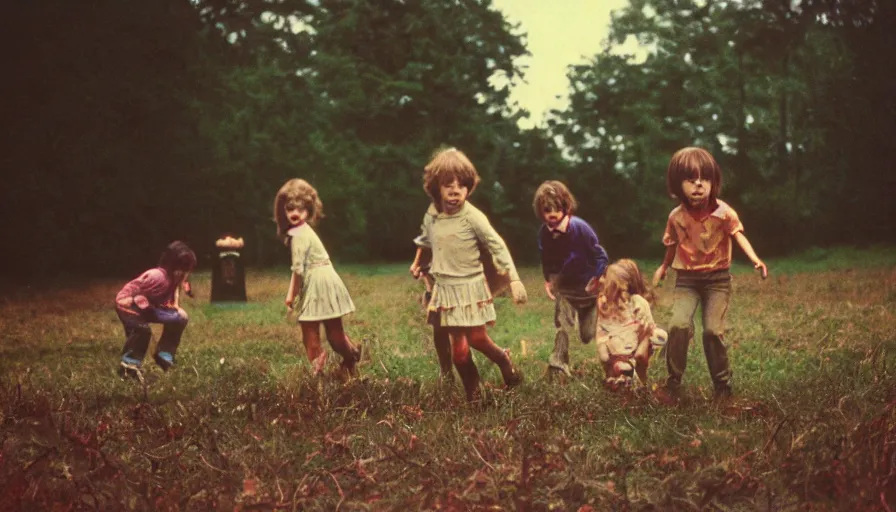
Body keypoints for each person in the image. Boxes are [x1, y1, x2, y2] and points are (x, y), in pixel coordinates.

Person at [410, 147, 527, 401]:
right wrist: (419, 261)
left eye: (462, 186)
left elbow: (497, 244)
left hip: (471, 287)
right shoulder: (432, 215)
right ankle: (475, 395)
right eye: (448, 185)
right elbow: (426, 239)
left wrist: (514, 279)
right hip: (447, 290)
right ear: (435, 187)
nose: (455, 191)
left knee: (477, 339)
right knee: (460, 353)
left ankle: (503, 358)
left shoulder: (473, 217)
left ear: (469, 188)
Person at [652, 147, 767, 402]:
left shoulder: (724, 212)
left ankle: (723, 387)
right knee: (678, 325)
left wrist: (755, 259)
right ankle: (673, 383)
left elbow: (738, 235)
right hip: (687, 281)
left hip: (718, 280)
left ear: (713, 182)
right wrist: (663, 267)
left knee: (712, 331)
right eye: (690, 180)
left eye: (704, 179)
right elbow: (672, 246)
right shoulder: (676, 217)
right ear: (677, 184)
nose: (698, 186)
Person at [274, 178, 361, 377]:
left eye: (301, 208)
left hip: (316, 280)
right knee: (334, 330)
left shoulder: (298, 235)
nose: (295, 213)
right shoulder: (306, 231)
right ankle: (350, 354)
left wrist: (290, 296)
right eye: (289, 209)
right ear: (283, 211)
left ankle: (318, 366)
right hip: (328, 278)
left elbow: (298, 271)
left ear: (309, 210)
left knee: (309, 328)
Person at [534, 180, 609, 379]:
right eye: (546, 209)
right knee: (562, 325)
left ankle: (590, 313)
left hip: (588, 290)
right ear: (541, 211)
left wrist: (597, 277)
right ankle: (558, 365)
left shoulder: (580, 228)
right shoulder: (544, 233)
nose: (552, 213)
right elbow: (546, 259)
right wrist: (548, 280)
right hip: (565, 289)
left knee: (586, 336)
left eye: (557, 208)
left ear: (565, 207)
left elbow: (600, 255)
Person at [115, 241, 196, 380]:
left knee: (181, 318)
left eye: (186, 270)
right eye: (181, 269)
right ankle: (129, 366)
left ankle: (164, 355)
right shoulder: (157, 277)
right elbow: (137, 294)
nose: (183, 274)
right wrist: (147, 310)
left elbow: (173, 292)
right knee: (142, 330)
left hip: (150, 308)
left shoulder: (173, 279)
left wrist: (174, 307)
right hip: (129, 305)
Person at [589, 259, 666, 390]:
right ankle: (616, 377)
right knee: (611, 360)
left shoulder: (638, 303)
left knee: (639, 356)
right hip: (617, 347)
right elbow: (602, 329)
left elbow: (647, 330)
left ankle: (637, 380)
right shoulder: (605, 303)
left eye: (605, 277)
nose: (602, 279)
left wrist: (645, 334)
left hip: (636, 345)